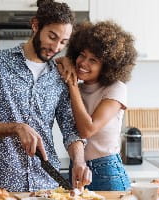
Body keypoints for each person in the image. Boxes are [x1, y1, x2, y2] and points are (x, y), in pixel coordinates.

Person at [0, 0, 91, 192]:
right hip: (3, 186)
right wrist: (15, 128)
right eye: (52, 36)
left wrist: (80, 161)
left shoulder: (61, 74)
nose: (56, 47)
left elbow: (71, 130)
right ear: (35, 25)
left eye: (63, 42)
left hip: (47, 185)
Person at [56, 20, 137, 191]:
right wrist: (65, 62)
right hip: (77, 167)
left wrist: (71, 83)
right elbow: (55, 63)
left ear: (107, 66)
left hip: (107, 170)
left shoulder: (116, 88)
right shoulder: (78, 88)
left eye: (93, 60)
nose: (83, 63)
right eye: (82, 55)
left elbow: (87, 129)